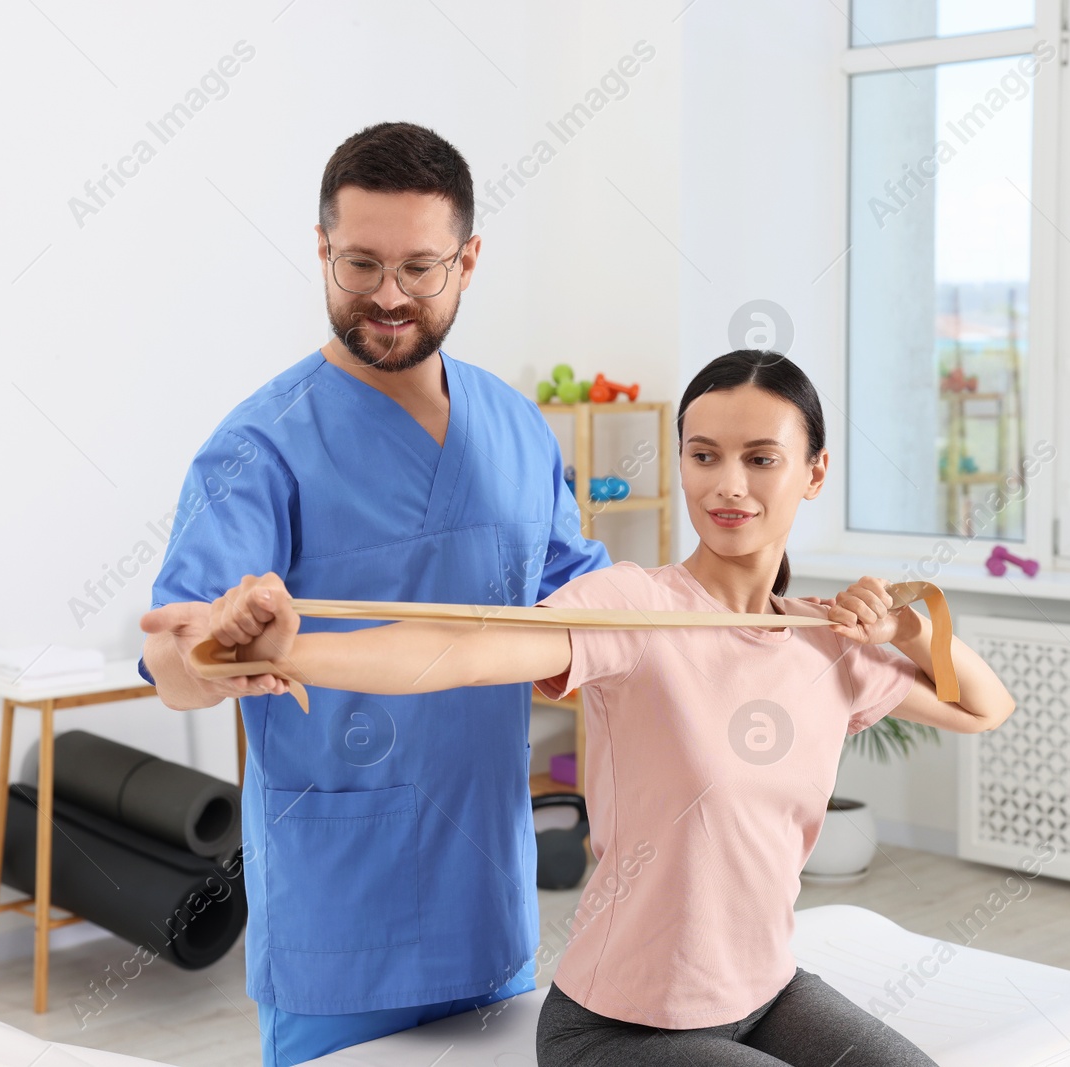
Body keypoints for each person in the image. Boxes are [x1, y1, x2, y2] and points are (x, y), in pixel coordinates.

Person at [205, 349, 1015, 1066]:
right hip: (617, 1029)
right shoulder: (635, 608)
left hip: (767, 994)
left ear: (814, 470)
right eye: (704, 456)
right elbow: (466, 649)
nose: (728, 484)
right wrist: (289, 649)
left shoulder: (825, 642)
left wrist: (908, 624)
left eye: (761, 457)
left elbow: (984, 707)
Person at [137, 122, 611, 1066]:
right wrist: (210, 652)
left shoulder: (516, 429)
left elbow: (594, 610)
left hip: (488, 897)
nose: (389, 297)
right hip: (340, 917)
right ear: (321, 249)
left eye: (420, 268)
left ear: (468, 261)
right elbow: (173, 660)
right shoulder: (260, 446)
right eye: (359, 264)